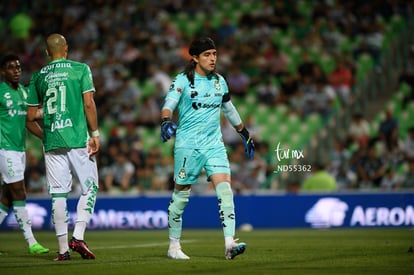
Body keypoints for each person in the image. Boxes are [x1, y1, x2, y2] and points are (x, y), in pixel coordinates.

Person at [160, 37, 255, 260]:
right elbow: (169, 103)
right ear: (194, 58)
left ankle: (230, 244)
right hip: (188, 146)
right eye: (207, 55)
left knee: (225, 190)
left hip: (214, 145)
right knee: (181, 195)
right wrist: (165, 121)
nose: (213, 59)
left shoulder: (220, 81)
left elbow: (229, 109)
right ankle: (174, 246)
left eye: (214, 54)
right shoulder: (182, 80)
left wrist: (245, 133)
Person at [26, 34, 100, 261]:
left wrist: (45, 136)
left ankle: (62, 250)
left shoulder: (37, 77)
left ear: (47, 53)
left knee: (58, 194)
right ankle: (77, 236)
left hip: (53, 142)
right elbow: (88, 103)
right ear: (66, 49)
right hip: (77, 139)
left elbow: (29, 117)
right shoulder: (80, 69)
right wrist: (95, 133)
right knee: (91, 187)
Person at [0, 54, 49, 254]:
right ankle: (32, 242)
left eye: (18, 67)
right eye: (11, 67)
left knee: (7, 198)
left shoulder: (24, 91)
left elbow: (29, 121)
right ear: (3, 71)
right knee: (20, 192)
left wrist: (45, 136)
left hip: (19, 150)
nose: (16, 70)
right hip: (4, 149)